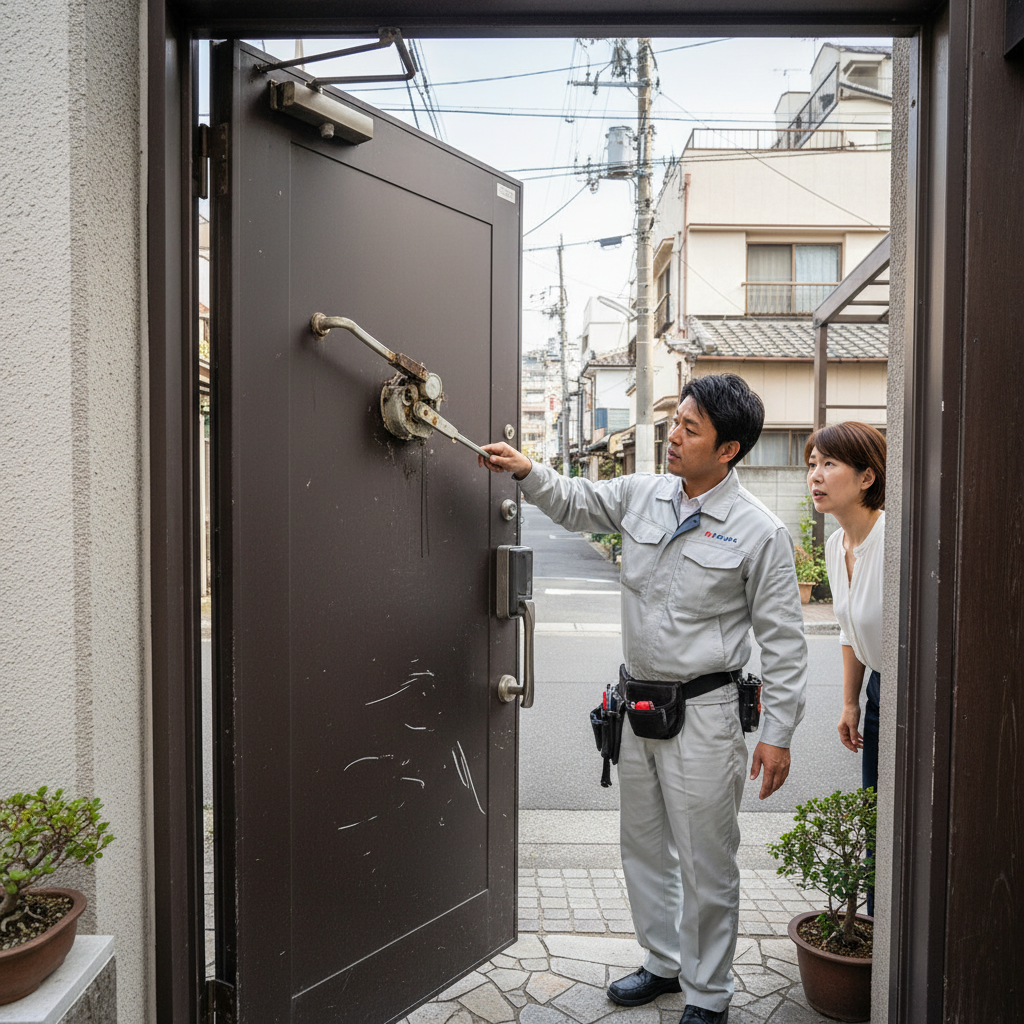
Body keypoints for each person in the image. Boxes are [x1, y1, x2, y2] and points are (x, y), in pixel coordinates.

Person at [480, 373, 807, 1024]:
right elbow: (576, 501)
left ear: (729, 450)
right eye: (676, 422)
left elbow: (786, 641)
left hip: (708, 715)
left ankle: (708, 993)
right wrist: (527, 471)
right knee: (644, 847)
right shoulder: (643, 494)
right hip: (638, 706)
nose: (674, 437)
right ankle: (662, 963)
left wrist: (779, 733)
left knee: (708, 863)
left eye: (691, 429)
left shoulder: (758, 532)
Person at [804, 421, 886, 916]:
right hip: (879, 691)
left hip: (913, 691)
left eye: (829, 463)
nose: (815, 475)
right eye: (812, 463)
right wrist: (851, 701)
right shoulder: (838, 546)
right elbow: (848, 629)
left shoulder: (895, 540)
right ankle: (877, 926)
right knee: (876, 814)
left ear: (866, 478)